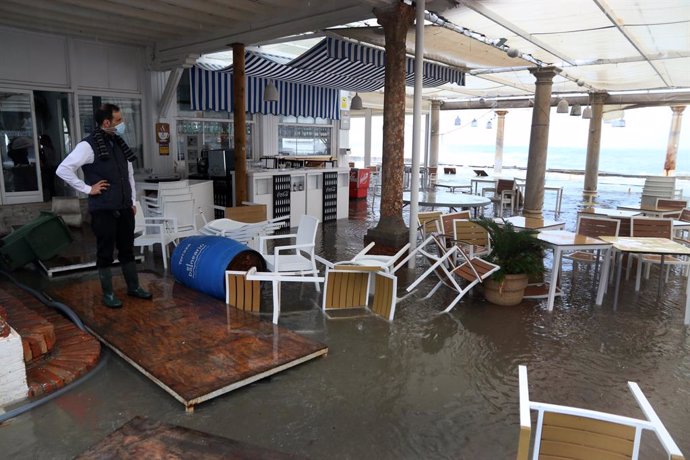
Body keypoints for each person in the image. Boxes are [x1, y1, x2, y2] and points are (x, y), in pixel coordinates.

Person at [56, 103, 151, 308]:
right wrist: (88, 189)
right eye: (118, 120)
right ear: (106, 122)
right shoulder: (87, 146)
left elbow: (129, 175)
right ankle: (108, 294)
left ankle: (133, 287)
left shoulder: (119, 143)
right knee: (105, 253)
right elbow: (63, 169)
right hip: (104, 210)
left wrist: (132, 201)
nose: (122, 123)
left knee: (127, 249)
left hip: (125, 208)